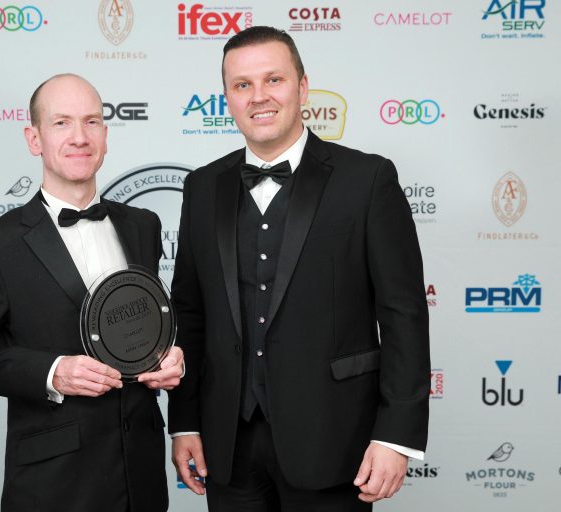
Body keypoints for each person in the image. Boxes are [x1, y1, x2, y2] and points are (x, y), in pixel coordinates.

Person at [168, 27, 430, 511]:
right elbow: (190, 313)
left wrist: (395, 435)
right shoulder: (202, 187)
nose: (259, 96)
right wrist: (184, 422)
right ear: (226, 98)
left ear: (303, 87)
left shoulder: (367, 180)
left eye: (274, 80)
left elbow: (404, 315)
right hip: (228, 444)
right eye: (242, 84)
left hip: (335, 439)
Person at [0, 74, 183, 512]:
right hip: (54, 483)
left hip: (141, 474)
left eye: (91, 122)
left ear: (105, 136)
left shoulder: (143, 225)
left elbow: (142, 325)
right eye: (62, 123)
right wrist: (52, 372)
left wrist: (169, 355)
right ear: (35, 139)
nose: (79, 137)